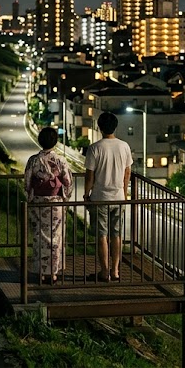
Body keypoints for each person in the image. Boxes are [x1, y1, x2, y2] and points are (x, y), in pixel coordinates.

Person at [83, 112, 133, 282]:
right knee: (116, 235)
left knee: (102, 235)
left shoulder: (94, 148)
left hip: (100, 198)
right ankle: (115, 271)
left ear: (99, 127)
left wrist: (86, 195)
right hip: (118, 197)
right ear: (115, 127)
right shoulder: (124, 146)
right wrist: (124, 193)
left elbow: (89, 176)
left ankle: (104, 272)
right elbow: (127, 173)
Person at [24, 127, 74, 284]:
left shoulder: (33, 160)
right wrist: (65, 197)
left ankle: (40, 272)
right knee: (55, 237)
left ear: (40, 141)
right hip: (55, 204)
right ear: (55, 142)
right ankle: (53, 273)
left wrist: (31, 195)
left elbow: (27, 183)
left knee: (39, 237)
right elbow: (68, 182)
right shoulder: (60, 160)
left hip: (38, 203)